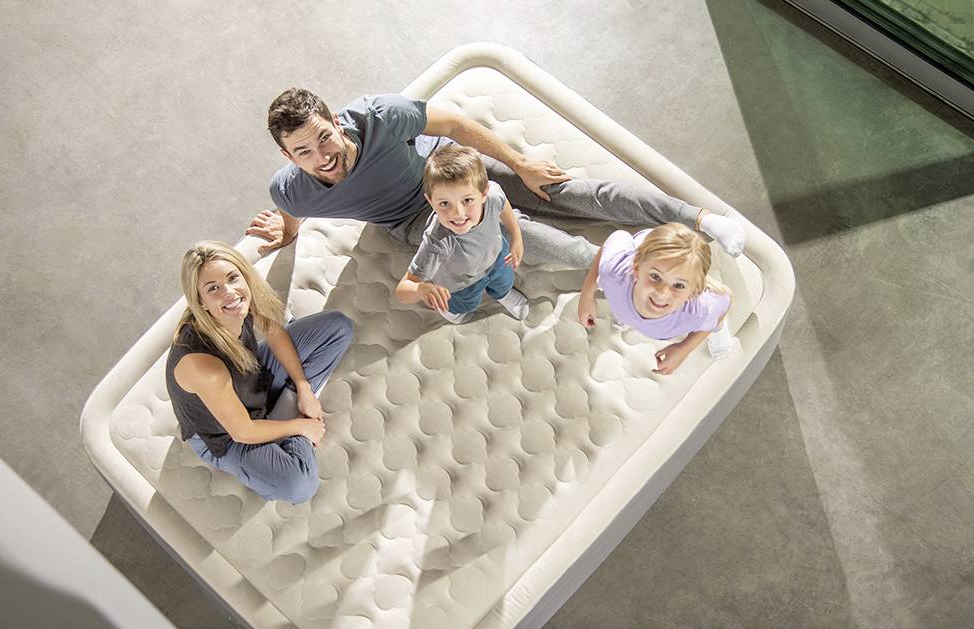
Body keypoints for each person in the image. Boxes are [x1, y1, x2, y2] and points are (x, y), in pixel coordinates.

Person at [245, 89, 745, 268]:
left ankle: (699, 218)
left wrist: (522, 164)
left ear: (335, 121)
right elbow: (290, 209)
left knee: (569, 193)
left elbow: (456, 125)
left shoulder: (380, 115)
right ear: (289, 156)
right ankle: (620, 270)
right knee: (507, 231)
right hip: (414, 221)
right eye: (304, 152)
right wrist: (286, 234)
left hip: (449, 167)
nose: (322, 157)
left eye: (324, 138)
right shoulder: (291, 186)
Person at [165, 241, 353, 504]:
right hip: (225, 434)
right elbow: (242, 431)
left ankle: (284, 407)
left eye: (233, 278)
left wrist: (303, 387)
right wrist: (302, 427)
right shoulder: (203, 366)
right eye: (213, 289)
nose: (230, 292)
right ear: (201, 302)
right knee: (298, 485)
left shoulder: (242, 298)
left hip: (252, 378)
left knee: (338, 328)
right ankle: (285, 420)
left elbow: (275, 332)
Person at [395, 144, 529, 323]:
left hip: (498, 257)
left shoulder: (493, 194)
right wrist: (420, 289)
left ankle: (503, 295)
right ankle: (453, 312)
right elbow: (403, 290)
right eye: (444, 203)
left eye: (467, 200)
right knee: (464, 304)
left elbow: (503, 204)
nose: (457, 213)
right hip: (462, 283)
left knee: (504, 282)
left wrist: (516, 235)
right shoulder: (437, 240)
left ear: (483, 194)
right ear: (430, 201)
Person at [578, 223, 733, 375]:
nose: (662, 293)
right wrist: (587, 295)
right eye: (655, 277)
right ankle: (631, 315)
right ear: (636, 269)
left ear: (693, 293)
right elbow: (617, 237)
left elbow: (723, 306)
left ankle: (719, 329)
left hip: (659, 261)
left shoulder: (698, 312)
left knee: (713, 321)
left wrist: (684, 349)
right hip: (644, 245)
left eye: (678, 285)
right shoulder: (615, 273)